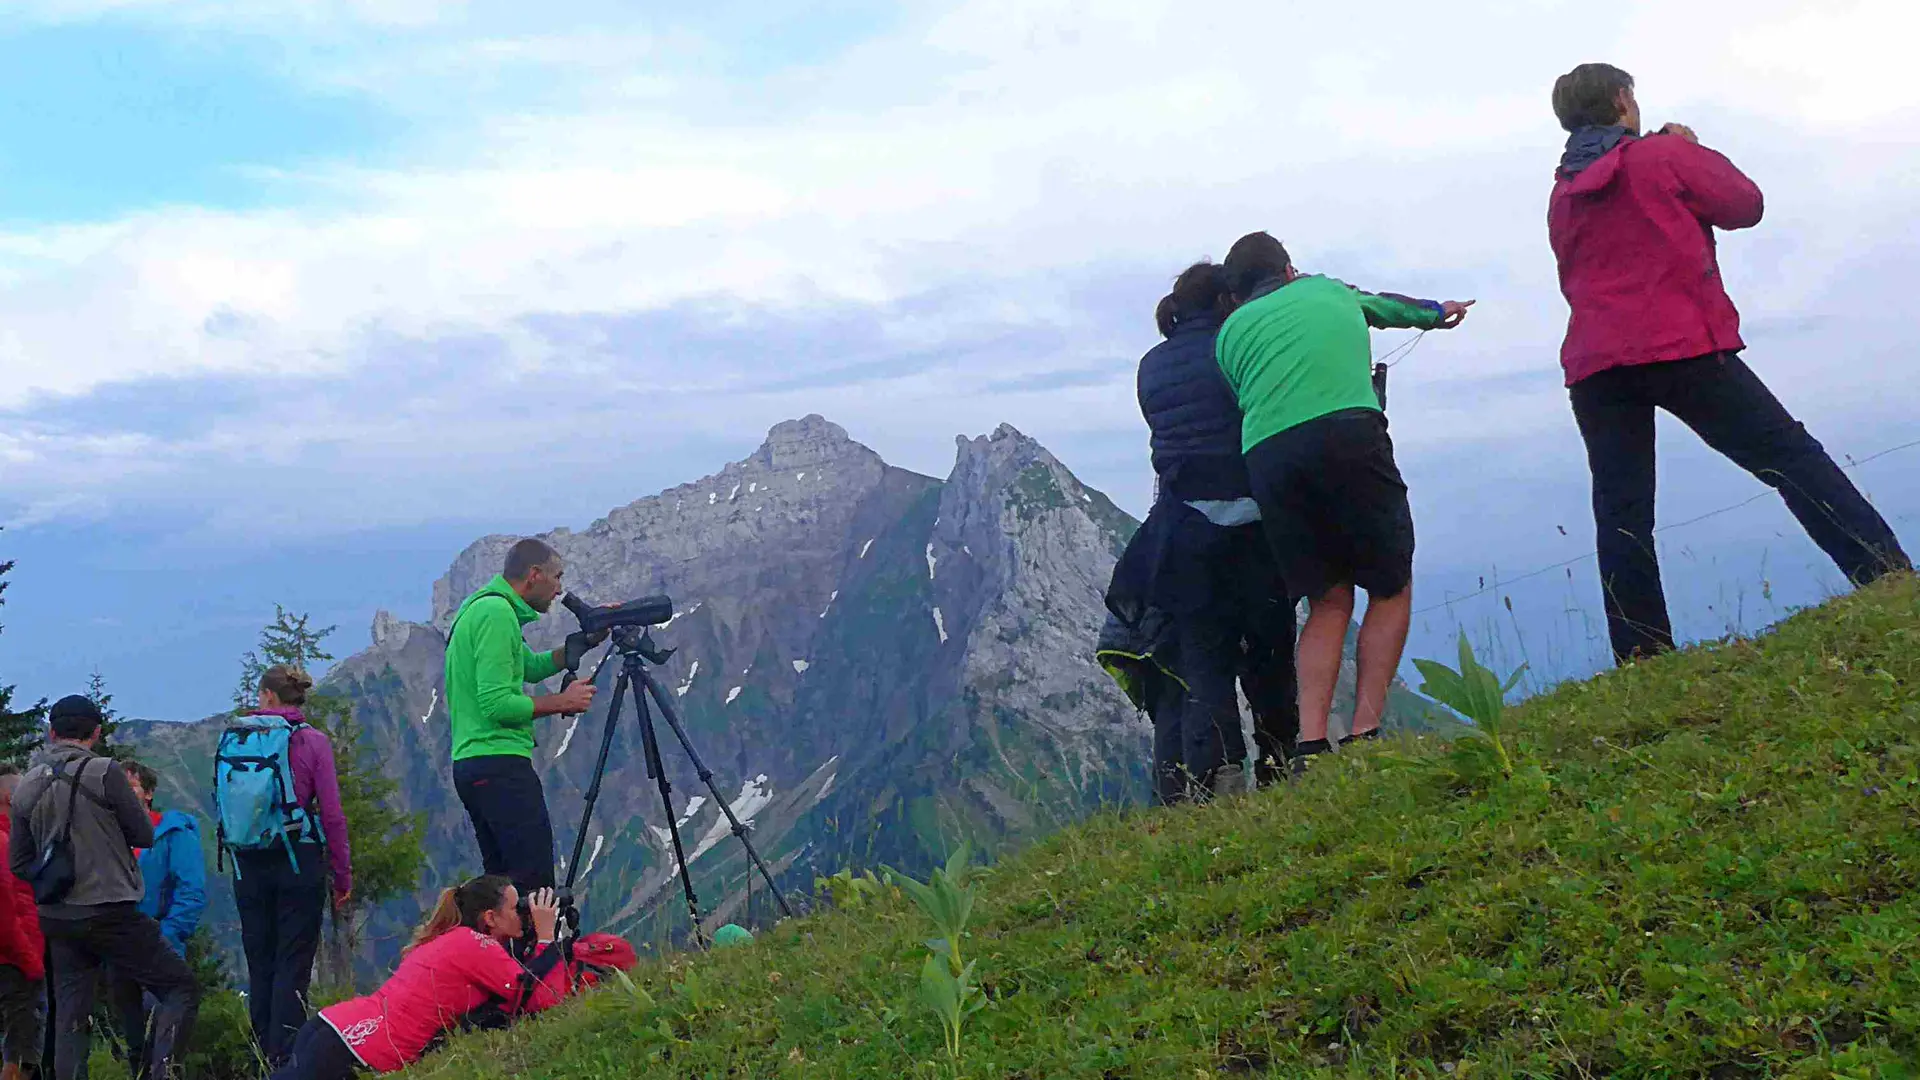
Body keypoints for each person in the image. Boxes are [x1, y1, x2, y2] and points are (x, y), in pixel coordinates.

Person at [1547, 64, 1911, 664]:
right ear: (1620, 100)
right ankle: (1885, 574)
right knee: (1790, 457)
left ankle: (1642, 654)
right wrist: (1690, 149)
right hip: (1679, 343)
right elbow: (1745, 205)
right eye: (1631, 95)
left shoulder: (1563, 191)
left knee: (1622, 510)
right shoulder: (1660, 155)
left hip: (1596, 362)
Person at [1215, 232, 1473, 773]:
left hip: (1268, 455)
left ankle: (1311, 746)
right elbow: (1386, 308)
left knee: (1327, 600)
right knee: (1390, 582)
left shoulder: (1227, 336)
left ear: (1236, 295)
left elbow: (1244, 393)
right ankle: (1365, 731)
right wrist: (1437, 312)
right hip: (1347, 434)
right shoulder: (1328, 291)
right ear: (1288, 270)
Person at [1125, 261, 1300, 796]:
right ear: (1226, 300)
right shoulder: (1236, 348)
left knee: (1206, 658)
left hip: (1183, 530)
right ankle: (1279, 762)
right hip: (1252, 521)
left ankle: (1220, 775)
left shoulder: (1150, 365)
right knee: (1268, 650)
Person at [8, 695, 199, 1080]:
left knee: (71, 1016)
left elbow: (18, 862)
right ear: (95, 733)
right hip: (109, 908)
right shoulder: (104, 772)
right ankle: (163, 1074)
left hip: (57, 915)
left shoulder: (27, 782)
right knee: (180, 988)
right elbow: (144, 834)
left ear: (51, 732)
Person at [269, 876, 573, 1079]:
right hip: (361, 1047)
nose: (523, 912)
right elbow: (544, 998)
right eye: (515, 906)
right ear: (490, 918)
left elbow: (518, 988)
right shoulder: (477, 945)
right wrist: (547, 937)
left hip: (335, 1026)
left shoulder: (451, 938)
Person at [445, 539, 601, 893]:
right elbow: (497, 704)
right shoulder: (497, 614)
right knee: (533, 882)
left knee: (501, 887)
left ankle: (503, 949)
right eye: (556, 577)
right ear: (534, 575)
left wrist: (584, 643)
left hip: (473, 763)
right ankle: (534, 947)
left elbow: (529, 667)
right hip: (499, 763)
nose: (559, 588)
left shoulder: (482, 608)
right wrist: (564, 702)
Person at [231, 665, 353, 1068]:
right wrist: (341, 874)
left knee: (259, 958)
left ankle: (257, 1055)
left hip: (247, 860)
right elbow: (332, 814)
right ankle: (285, 1059)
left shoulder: (238, 737)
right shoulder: (312, 741)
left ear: (267, 695)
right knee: (293, 961)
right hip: (297, 859)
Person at [110, 761, 206, 1079]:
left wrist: (168, 934)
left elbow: (191, 891)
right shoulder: (109, 836)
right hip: (116, 944)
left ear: (148, 793)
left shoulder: (172, 833)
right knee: (135, 1039)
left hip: (157, 942)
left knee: (160, 1034)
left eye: (131, 786)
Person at [0, 767, 44, 1080]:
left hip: (17, 958)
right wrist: (30, 961)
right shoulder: (3, 843)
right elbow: (4, 912)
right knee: (19, 1051)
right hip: (14, 964)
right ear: (9, 796)